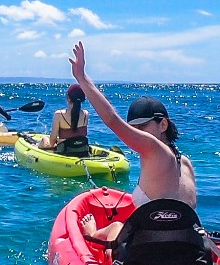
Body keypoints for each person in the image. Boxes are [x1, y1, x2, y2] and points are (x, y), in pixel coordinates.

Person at [69, 41, 196, 244]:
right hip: (187, 249)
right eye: (133, 128)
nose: (135, 135)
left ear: (163, 125)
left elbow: (112, 120)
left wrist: (82, 78)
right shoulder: (185, 163)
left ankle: (91, 233)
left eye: (142, 127)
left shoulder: (154, 150)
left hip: (149, 255)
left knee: (116, 227)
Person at [42, 85, 93, 156]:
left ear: (68, 99)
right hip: (83, 149)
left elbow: (52, 140)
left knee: (44, 139)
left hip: (64, 151)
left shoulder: (59, 114)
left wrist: (52, 143)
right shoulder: (86, 114)